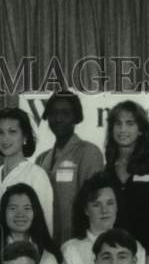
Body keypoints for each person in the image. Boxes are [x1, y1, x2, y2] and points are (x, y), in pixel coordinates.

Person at [61, 173, 147, 264]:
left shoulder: (136, 248)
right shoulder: (70, 250)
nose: (104, 210)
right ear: (86, 210)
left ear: (117, 207)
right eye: (96, 205)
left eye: (110, 203)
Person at [34, 88, 104, 246]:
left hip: (77, 244)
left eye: (66, 113)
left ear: (76, 117)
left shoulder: (88, 152)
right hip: (47, 244)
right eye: (53, 113)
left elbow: (94, 203)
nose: (58, 118)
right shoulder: (41, 159)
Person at [101, 100, 149, 252]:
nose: (123, 129)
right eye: (118, 123)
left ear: (140, 129)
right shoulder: (107, 168)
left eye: (130, 123)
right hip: (115, 253)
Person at [0, 107, 54, 236]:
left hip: (23, 252)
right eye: (0, 132)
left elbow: (45, 226)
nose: (5, 138)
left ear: (25, 136)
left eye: (12, 132)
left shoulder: (36, 175)